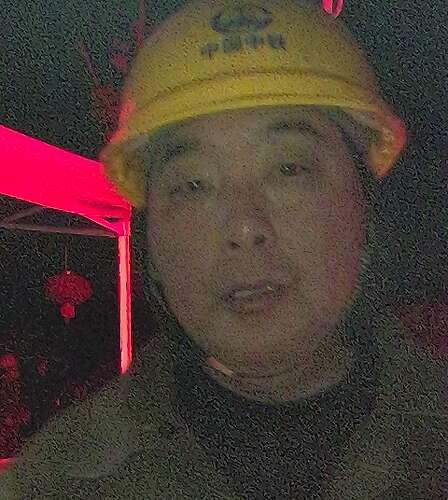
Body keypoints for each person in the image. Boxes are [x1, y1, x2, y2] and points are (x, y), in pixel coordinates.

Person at [2, 1, 447, 498]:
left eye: (288, 169)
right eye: (194, 185)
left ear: (364, 204)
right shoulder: (50, 484)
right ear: (153, 242)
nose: (244, 226)